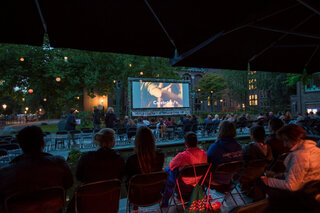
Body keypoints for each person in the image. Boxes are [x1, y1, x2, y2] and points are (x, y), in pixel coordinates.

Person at [0, 126, 73, 211]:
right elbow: (69, 183)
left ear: (20, 145)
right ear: (43, 142)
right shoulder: (59, 163)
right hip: (54, 210)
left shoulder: (5, 173)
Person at [258, 124, 320, 200]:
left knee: (260, 181)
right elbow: (305, 174)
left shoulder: (300, 156)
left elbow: (291, 186)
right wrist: (280, 175)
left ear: (295, 138)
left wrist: (268, 181)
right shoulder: (316, 150)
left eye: (286, 140)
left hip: (303, 195)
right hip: (314, 190)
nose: (285, 144)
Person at [162, 132, 207, 206]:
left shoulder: (182, 156)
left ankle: (165, 198)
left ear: (185, 143)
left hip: (184, 184)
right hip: (198, 182)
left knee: (168, 170)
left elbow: (171, 165)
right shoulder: (204, 153)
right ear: (197, 142)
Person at [207, 121, 243, 185]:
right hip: (232, 179)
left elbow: (207, 163)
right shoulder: (239, 146)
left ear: (220, 130)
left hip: (216, 180)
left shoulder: (215, 147)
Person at [240, 125, 273, 195]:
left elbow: (241, 160)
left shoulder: (249, 148)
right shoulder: (268, 148)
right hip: (260, 173)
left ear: (252, 135)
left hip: (247, 176)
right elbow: (270, 160)